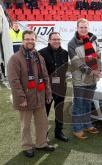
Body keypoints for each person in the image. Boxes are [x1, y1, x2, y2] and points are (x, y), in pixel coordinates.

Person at [7, 30, 55, 158]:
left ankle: (41, 143)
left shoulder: (39, 57)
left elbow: (45, 76)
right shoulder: (15, 58)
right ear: (23, 41)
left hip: (39, 97)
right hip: (25, 99)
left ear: (35, 40)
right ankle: (27, 146)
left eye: (32, 39)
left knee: (42, 123)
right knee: (26, 125)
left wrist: (48, 93)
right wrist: (21, 97)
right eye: (27, 39)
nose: (30, 41)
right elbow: (13, 80)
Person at [68, 18, 102, 140]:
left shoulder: (94, 39)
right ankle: (77, 129)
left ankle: (87, 124)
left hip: (92, 79)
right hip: (80, 80)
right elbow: (76, 62)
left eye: (85, 27)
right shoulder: (72, 43)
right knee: (78, 105)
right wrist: (91, 71)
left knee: (88, 103)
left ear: (88, 28)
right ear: (77, 28)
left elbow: (98, 54)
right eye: (81, 27)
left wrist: (99, 69)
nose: (83, 29)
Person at [39, 32, 69, 142]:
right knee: (44, 112)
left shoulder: (65, 53)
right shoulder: (41, 53)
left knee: (59, 110)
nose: (56, 41)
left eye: (58, 39)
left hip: (61, 87)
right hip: (47, 88)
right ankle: (43, 135)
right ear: (49, 40)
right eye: (54, 39)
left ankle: (58, 132)